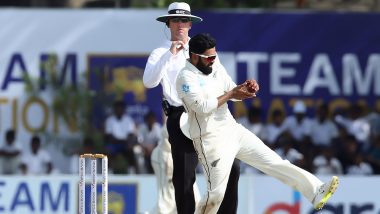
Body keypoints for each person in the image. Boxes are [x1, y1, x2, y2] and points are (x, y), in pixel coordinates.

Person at [176, 33, 339, 213]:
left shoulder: (214, 64)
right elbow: (202, 107)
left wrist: (243, 89)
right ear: (194, 56)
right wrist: (231, 94)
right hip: (210, 140)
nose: (214, 60)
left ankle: (315, 191)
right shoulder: (185, 77)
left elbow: (230, 88)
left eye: (215, 55)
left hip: (232, 130)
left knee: (274, 161)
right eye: (209, 58)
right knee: (215, 196)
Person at [143, 2, 240, 213]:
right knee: (184, 176)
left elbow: (223, 80)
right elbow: (149, 82)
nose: (180, 25)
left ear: (190, 24)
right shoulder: (160, 52)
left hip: (208, 114)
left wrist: (238, 93)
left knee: (231, 167)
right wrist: (170, 54)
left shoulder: (203, 49)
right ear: (168, 23)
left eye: (184, 20)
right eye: (176, 20)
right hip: (179, 116)